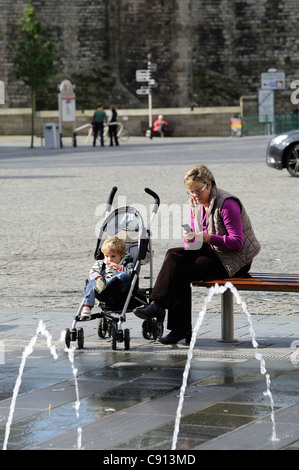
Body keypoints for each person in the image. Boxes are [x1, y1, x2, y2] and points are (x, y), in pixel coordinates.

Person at [133, 165, 261, 344]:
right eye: (190, 192)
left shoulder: (227, 204)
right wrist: (190, 239)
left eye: (198, 190)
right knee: (173, 255)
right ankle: (162, 311)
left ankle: (170, 318)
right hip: (212, 252)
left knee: (181, 271)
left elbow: (237, 242)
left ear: (209, 184)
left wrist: (208, 237)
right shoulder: (196, 203)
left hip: (235, 260)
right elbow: (195, 238)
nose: (194, 195)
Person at [81, 236, 134, 319]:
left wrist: (119, 267)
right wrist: (98, 278)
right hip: (102, 286)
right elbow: (92, 272)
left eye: (113, 256)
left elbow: (131, 273)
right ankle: (87, 307)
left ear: (122, 255)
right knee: (91, 282)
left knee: (123, 275)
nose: (109, 259)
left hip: (117, 286)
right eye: (106, 256)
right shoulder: (100, 263)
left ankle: (106, 283)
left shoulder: (126, 263)